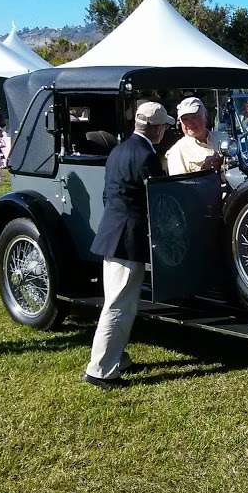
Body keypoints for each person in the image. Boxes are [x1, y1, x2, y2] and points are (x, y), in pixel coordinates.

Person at [84, 102, 173, 389]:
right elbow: (158, 198)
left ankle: (116, 357)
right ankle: (100, 370)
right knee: (119, 306)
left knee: (118, 302)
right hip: (126, 239)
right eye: (164, 126)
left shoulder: (119, 150)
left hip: (113, 234)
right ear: (157, 128)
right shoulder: (146, 155)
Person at [166, 96, 226, 173]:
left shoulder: (223, 138)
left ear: (205, 116)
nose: (190, 123)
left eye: (195, 117)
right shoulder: (177, 152)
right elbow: (180, 184)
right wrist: (204, 171)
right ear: (180, 123)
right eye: (185, 119)